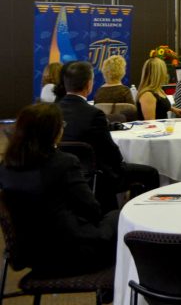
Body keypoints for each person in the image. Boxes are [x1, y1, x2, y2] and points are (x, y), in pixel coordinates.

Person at [0, 103, 119, 276]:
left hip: (30, 254)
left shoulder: (6, 167)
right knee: (118, 216)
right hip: (71, 252)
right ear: (53, 131)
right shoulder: (64, 163)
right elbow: (92, 209)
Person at [57, 61, 160, 210]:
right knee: (151, 173)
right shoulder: (93, 114)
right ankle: (143, 218)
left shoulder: (53, 111)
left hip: (64, 175)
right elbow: (110, 152)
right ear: (89, 84)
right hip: (99, 176)